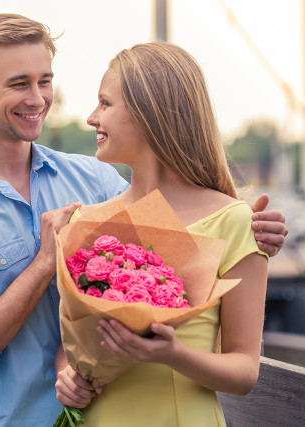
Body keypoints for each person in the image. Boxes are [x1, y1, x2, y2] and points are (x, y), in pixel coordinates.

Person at [0, 14, 287, 426]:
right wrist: (43, 265)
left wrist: (252, 236)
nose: (37, 98)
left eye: (45, 81)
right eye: (19, 83)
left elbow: (182, 225)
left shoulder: (96, 181)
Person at [54, 42, 277, 426]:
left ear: (146, 115)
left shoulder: (235, 222)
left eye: (105, 103)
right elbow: (72, 344)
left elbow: (245, 371)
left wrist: (171, 354)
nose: (92, 117)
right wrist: (68, 379)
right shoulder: (86, 224)